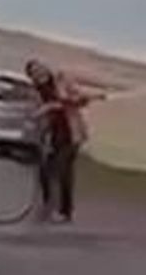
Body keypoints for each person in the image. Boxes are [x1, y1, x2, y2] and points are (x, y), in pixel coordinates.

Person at [25, 60, 95, 224]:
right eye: (34, 73)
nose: (39, 73)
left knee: (63, 171)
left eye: (40, 69)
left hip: (71, 133)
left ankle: (65, 211)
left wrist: (61, 103)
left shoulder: (61, 81)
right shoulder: (35, 92)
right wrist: (45, 110)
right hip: (53, 135)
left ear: (46, 68)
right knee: (45, 171)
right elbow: (33, 113)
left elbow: (80, 100)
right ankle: (49, 204)